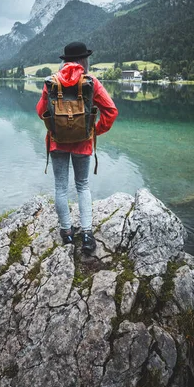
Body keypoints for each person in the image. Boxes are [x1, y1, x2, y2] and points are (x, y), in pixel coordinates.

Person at [36, 42, 118, 253]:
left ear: (65, 61)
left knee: (61, 187)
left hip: (57, 142)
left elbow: (40, 111)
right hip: (83, 144)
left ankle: (67, 233)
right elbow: (111, 112)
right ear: (83, 60)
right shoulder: (91, 82)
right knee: (82, 185)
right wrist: (94, 131)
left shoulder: (51, 82)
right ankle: (88, 236)